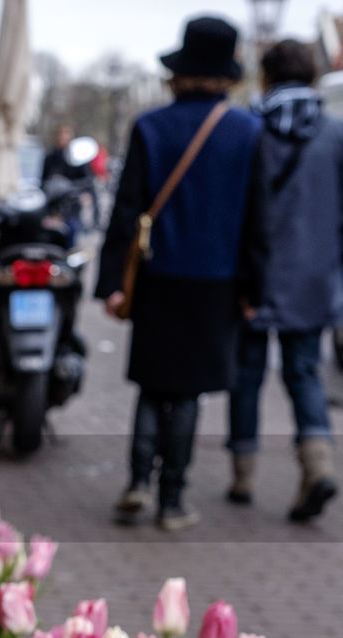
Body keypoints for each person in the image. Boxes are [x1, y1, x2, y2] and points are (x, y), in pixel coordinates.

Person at [95, 15, 264, 530]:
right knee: (188, 392)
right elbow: (258, 220)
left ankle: (136, 483)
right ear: (228, 73)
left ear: (180, 69)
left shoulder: (149, 127)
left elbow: (126, 212)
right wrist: (254, 289)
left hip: (156, 277)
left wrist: (110, 286)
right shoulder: (248, 131)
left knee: (152, 384)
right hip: (216, 282)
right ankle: (172, 501)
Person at [226, 39, 343, 522]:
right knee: (304, 374)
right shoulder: (338, 132)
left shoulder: (250, 129)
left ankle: (243, 477)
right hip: (314, 278)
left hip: (255, 278)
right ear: (313, 76)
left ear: (264, 77)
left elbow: (236, 213)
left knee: (247, 376)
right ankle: (318, 467)